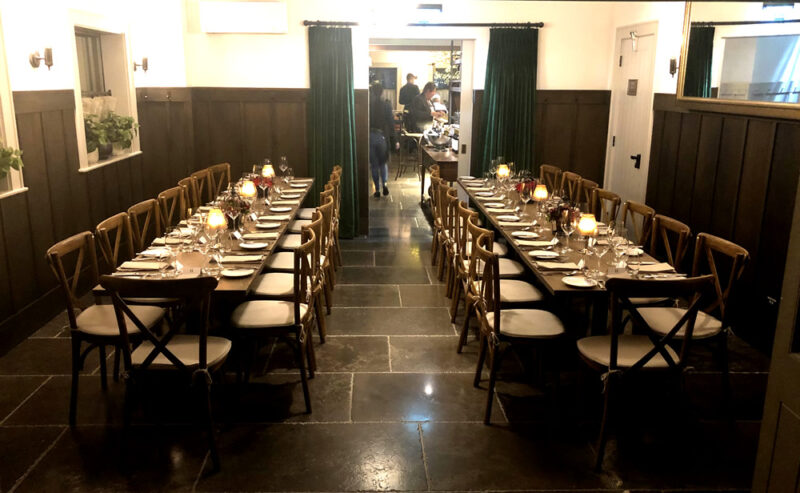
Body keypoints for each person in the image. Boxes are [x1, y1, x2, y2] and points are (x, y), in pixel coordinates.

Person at [369, 81, 398, 198]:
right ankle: (385, 184)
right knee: (383, 162)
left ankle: (376, 189)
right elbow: (391, 123)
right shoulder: (386, 105)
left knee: (374, 165)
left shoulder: (368, 105)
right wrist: (395, 139)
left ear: (372, 91)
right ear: (382, 92)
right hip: (382, 136)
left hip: (370, 135)